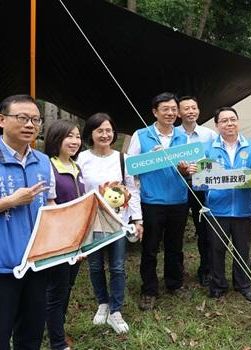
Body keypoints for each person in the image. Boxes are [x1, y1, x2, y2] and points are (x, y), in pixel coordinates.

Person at [77, 113, 143, 334]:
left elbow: (132, 189)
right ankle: (102, 304)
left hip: (118, 221)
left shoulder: (122, 158)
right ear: (91, 134)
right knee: (95, 266)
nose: (105, 135)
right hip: (92, 221)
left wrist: (137, 219)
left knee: (117, 266)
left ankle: (115, 310)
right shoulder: (82, 159)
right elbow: (78, 192)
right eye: (99, 131)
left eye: (108, 131)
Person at [0, 94, 56, 350]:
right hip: (2, 268)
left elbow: (50, 206)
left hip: (36, 264)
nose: (30, 125)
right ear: (2, 120)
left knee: (31, 335)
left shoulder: (43, 161)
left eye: (35, 119)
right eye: (22, 118)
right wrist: (9, 202)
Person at [127, 92, 192, 311]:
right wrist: (151, 159)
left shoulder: (183, 137)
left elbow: (190, 169)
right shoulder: (141, 135)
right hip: (151, 201)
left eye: (174, 109)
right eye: (166, 109)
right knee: (150, 248)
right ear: (155, 112)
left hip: (179, 201)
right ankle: (149, 290)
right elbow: (131, 168)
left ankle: (174, 283)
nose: (171, 113)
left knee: (175, 246)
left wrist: (185, 170)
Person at [204, 107, 251, 302]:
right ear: (217, 125)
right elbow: (202, 179)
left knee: (243, 249)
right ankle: (218, 285)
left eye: (233, 119)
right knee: (217, 249)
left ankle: (243, 285)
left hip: (244, 208)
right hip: (217, 209)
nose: (229, 124)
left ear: (238, 121)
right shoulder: (209, 148)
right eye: (224, 121)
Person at [44, 120, 84, 350]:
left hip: (77, 238)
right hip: (59, 239)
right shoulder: (49, 166)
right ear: (56, 139)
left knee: (66, 286)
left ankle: (55, 327)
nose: (75, 141)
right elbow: (52, 208)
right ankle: (57, 342)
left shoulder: (76, 167)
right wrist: (67, 242)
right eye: (69, 136)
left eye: (78, 136)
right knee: (56, 291)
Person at [176, 96, 217, 287]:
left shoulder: (209, 135)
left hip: (202, 187)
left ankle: (206, 270)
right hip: (177, 186)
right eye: (186, 108)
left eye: (194, 107)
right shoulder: (173, 135)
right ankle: (177, 271)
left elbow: (217, 160)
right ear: (178, 113)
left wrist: (201, 166)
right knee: (176, 231)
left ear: (198, 111)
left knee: (204, 231)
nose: (191, 111)